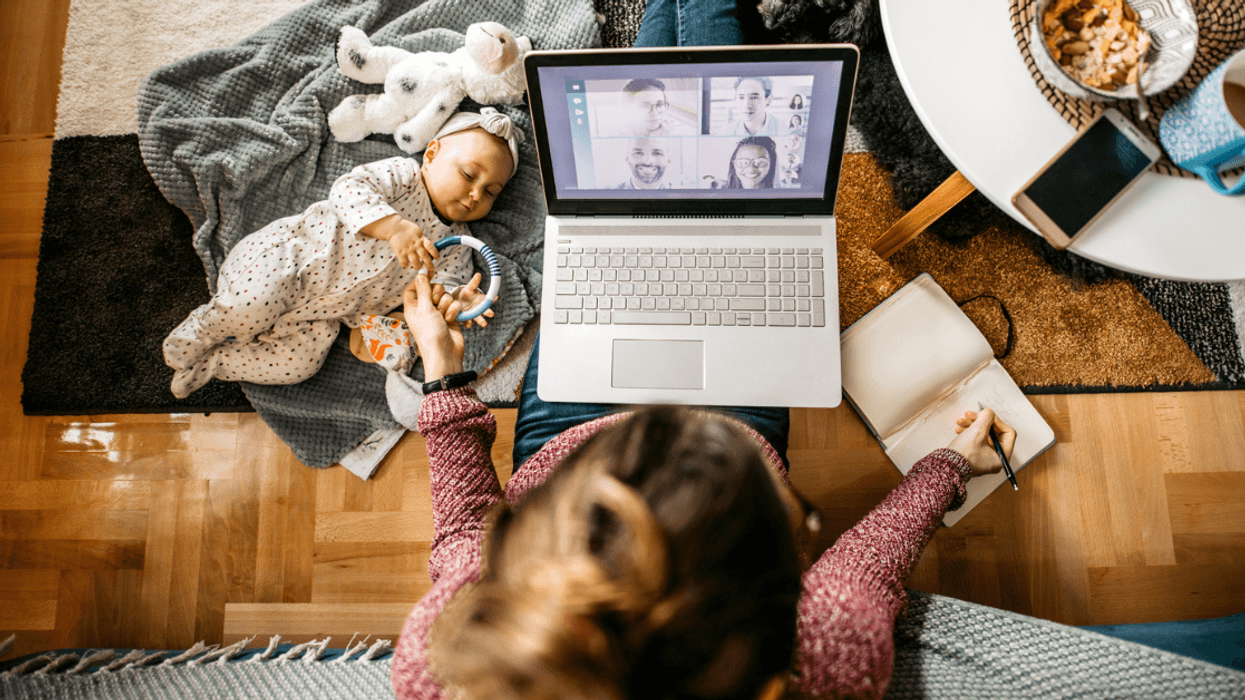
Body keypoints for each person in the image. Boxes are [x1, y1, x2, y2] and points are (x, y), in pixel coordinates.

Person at [388, 271, 1016, 700]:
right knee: (750, 275)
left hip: (566, 427)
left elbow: (465, 531)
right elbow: (868, 568)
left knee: (600, 269)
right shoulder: (829, 664)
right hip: (732, 423)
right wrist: (950, 467)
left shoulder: (453, 659)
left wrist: (443, 373)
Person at [162, 109, 518, 398]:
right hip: (291, 261)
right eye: (468, 174)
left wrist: (457, 298)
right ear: (431, 154)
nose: (476, 194)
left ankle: (215, 363)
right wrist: (394, 227)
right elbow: (348, 189)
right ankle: (204, 330)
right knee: (251, 304)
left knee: (300, 364)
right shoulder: (404, 178)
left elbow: (442, 286)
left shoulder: (457, 244)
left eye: (491, 192)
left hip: (321, 318)